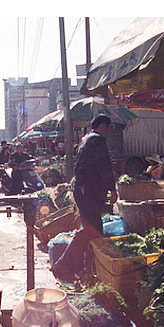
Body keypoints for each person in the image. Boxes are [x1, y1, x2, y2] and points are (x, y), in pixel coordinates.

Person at [52, 116, 117, 281]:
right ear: (103, 126)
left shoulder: (86, 140)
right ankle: (64, 265)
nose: (109, 132)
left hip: (83, 190)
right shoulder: (97, 140)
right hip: (88, 191)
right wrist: (112, 188)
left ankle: (87, 268)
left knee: (93, 230)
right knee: (91, 230)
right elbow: (105, 167)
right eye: (109, 128)